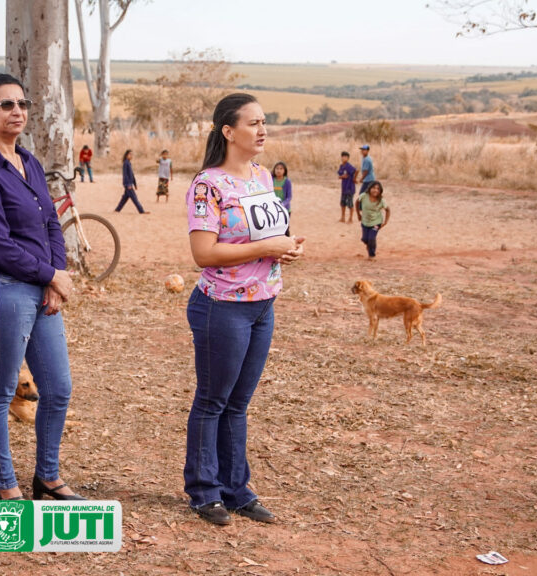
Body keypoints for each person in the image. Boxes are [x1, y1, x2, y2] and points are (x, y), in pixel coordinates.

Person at [0, 73, 84, 502]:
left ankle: (47, 477)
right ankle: (5, 484)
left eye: (22, 104)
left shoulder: (28, 160)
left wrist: (55, 277)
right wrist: (50, 275)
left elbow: (51, 222)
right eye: (6, 105)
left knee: (58, 387)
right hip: (2, 289)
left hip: (40, 289)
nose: (18, 112)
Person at [184, 93, 304, 527]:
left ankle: (237, 491)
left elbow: (270, 234)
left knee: (238, 403)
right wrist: (266, 247)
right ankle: (203, 492)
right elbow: (204, 252)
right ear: (228, 131)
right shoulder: (207, 185)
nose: (263, 129)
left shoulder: (260, 176)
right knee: (213, 401)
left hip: (262, 304)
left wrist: (285, 247)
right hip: (222, 308)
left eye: (265, 121)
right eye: (253, 123)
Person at [356, 180, 390, 260]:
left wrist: (385, 222)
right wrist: (358, 214)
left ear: (380, 191)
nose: (375, 190)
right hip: (365, 221)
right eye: (374, 188)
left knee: (371, 238)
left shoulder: (381, 200)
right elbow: (357, 202)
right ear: (369, 188)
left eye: (378, 189)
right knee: (365, 239)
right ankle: (369, 245)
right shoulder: (364, 196)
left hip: (376, 222)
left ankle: (372, 255)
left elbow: (388, 210)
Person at [115, 149, 149, 214]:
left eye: (132, 154)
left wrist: (135, 184)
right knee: (134, 198)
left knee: (124, 198)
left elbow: (132, 175)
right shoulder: (125, 163)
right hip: (128, 184)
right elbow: (125, 175)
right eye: (130, 154)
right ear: (126, 155)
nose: (131, 156)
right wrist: (128, 185)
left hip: (130, 184)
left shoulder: (129, 163)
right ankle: (141, 211)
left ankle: (117, 209)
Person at [271, 161, 292, 234]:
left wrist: (282, 205)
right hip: (272, 208)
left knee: (285, 229)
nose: (278, 170)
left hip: (285, 209)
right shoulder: (271, 179)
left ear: (284, 171)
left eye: (281, 169)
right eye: (277, 168)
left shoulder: (287, 181)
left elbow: (289, 197)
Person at [337, 152, 357, 223]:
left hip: (350, 187)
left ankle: (350, 218)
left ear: (348, 158)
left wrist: (354, 179)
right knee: (342, 203)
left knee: (350, 204)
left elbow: (356, 170)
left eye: (345, 157)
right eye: (343, 156)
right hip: (344, 187)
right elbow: (339, 175)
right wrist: (342, 176)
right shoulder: (341, 166)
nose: (344, 158)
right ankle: (343, 217)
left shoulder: (349, 166)